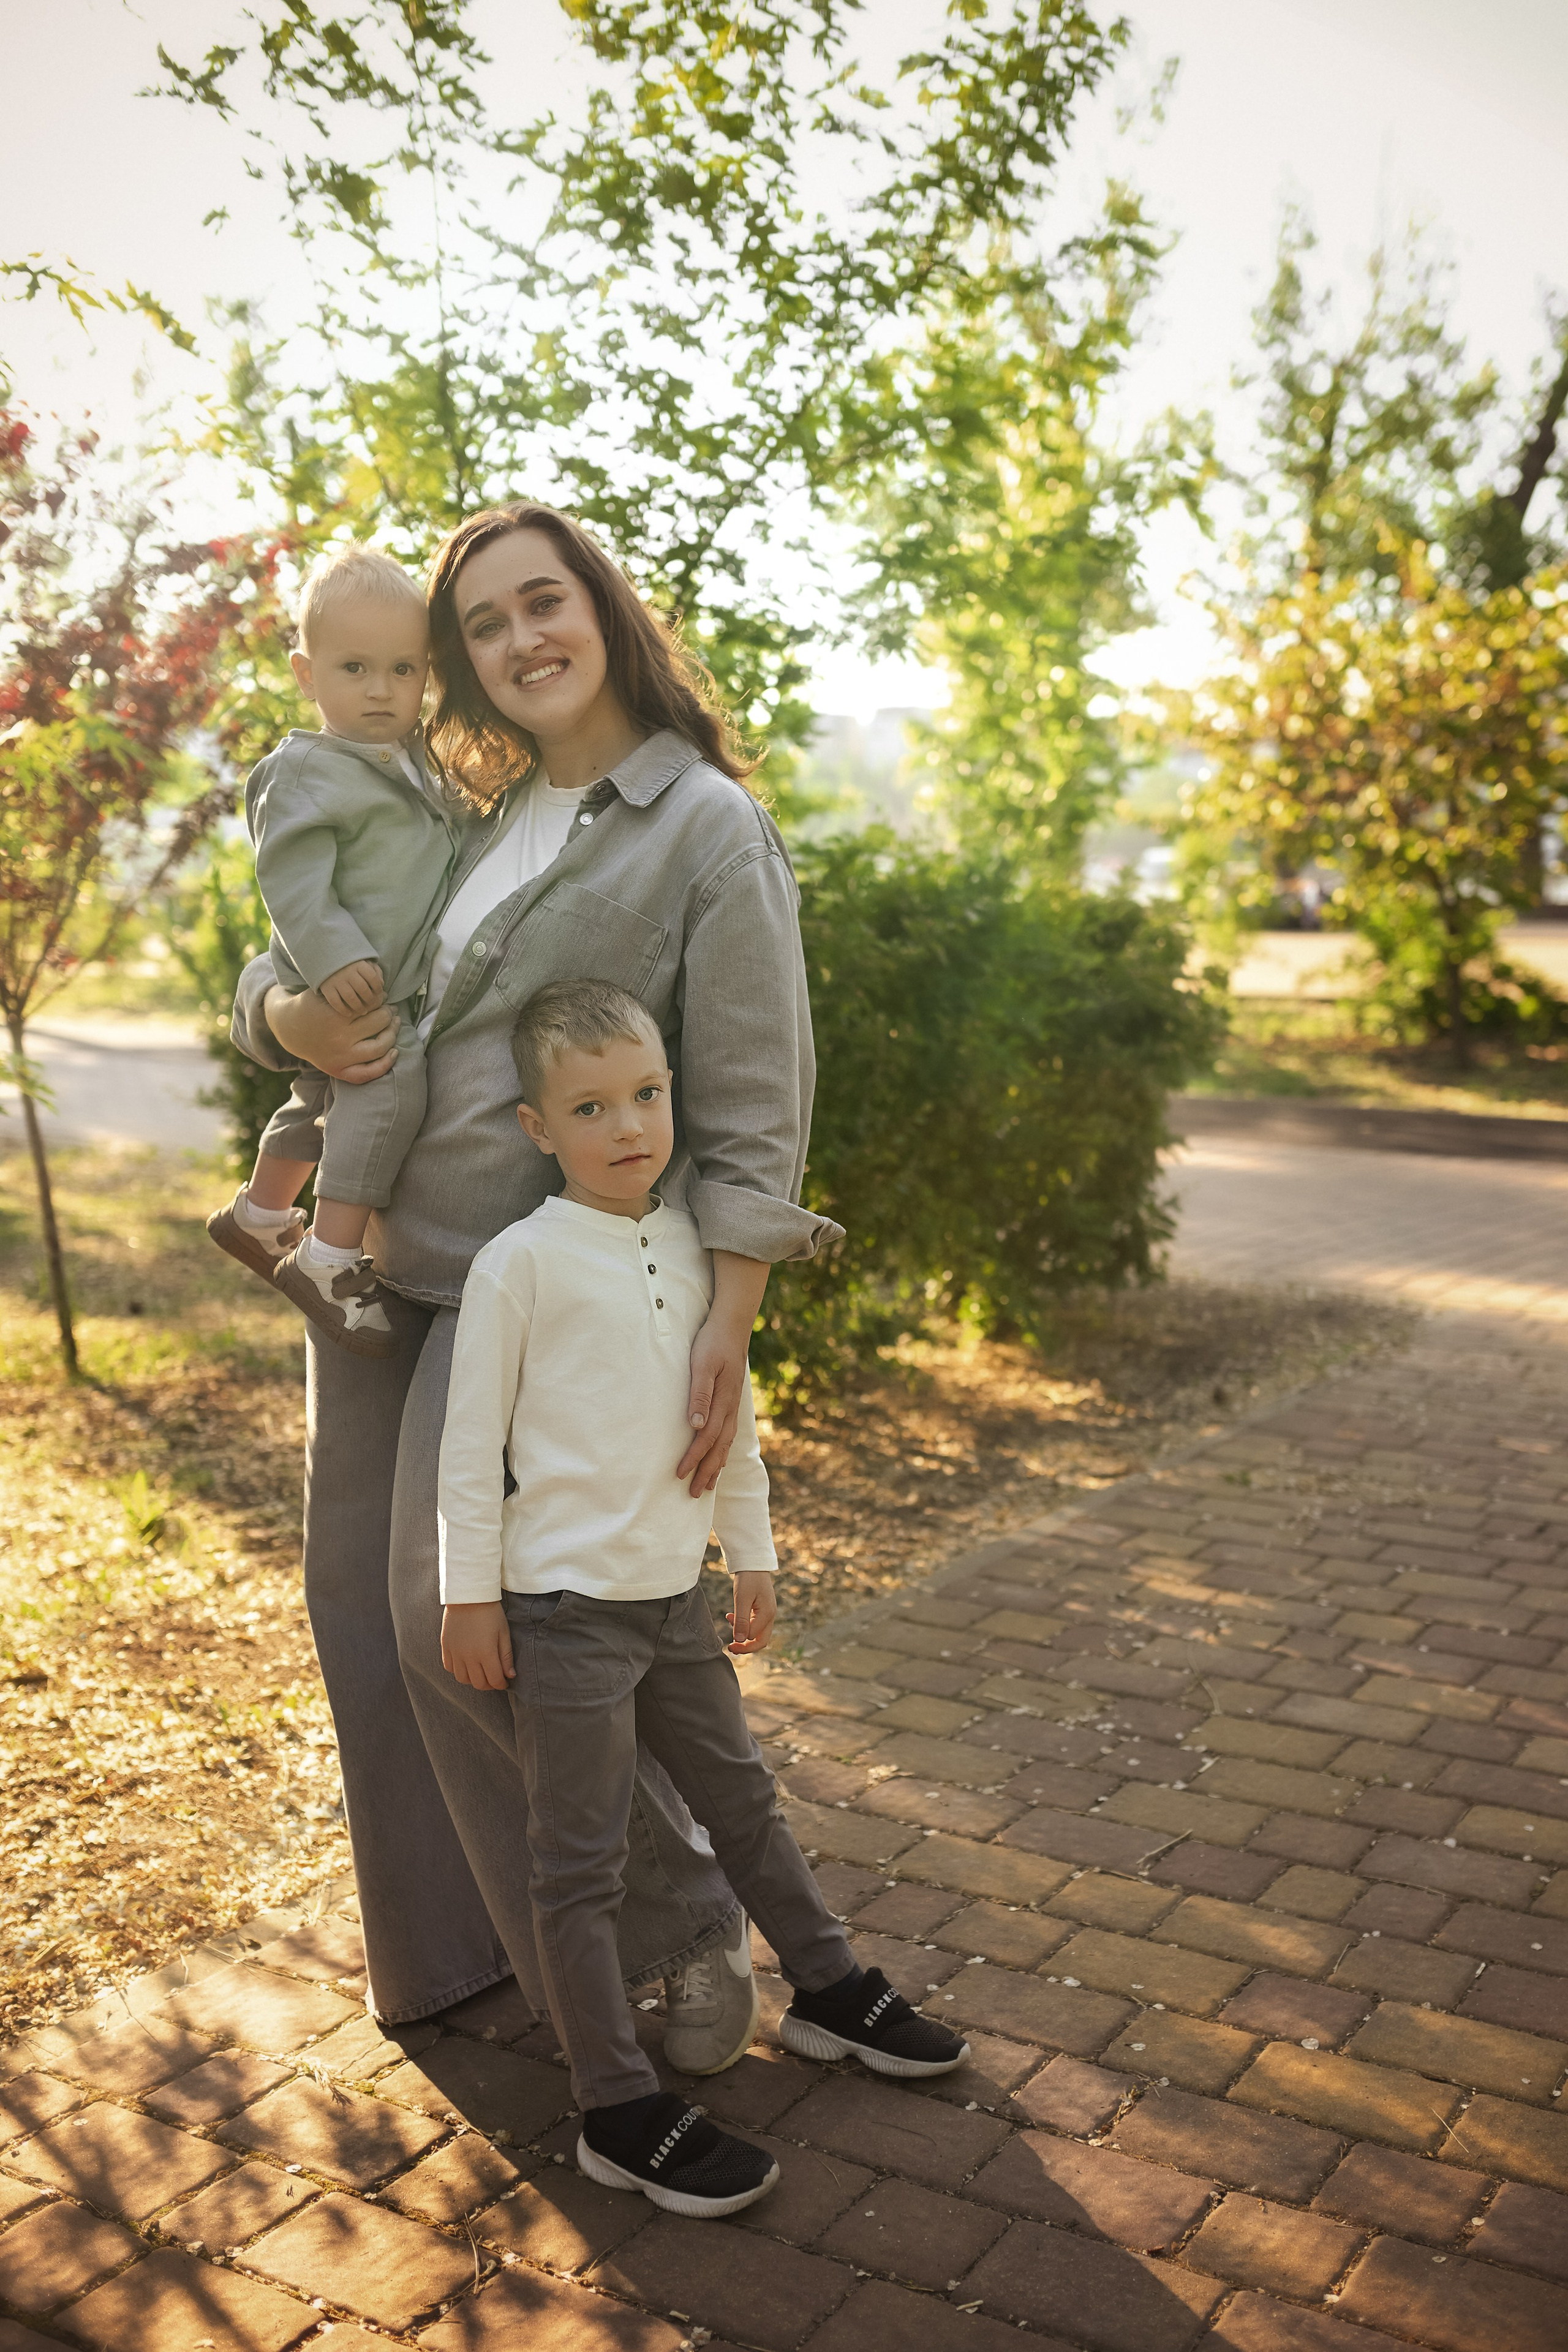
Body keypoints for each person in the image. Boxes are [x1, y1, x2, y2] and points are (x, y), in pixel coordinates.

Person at [227, 502, 834, 2065]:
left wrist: (728, 1317)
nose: (516, 644)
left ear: (604, 611)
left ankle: (677, 1929)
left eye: (539, 604)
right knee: (362, 1615)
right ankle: (453, 1950)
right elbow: (302, 946)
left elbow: (757, 1101)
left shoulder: (702, 826)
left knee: (459, 1617)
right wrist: (283, 1020)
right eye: (480, 628)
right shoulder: (459, 802)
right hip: (367, 1271)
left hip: (526, 1285)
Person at [436, 976, 968, 2215]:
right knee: (577, 1869)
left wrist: (755, 1552)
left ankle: (830, 1993)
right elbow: (469, 1448)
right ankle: (614, 2107)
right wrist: (469, 1597)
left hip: (675, 1600)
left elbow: (727, 1418)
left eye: (647, 1094)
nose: (628, 1125)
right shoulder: (519, 1264)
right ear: (536, 1128)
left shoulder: (696, 1249)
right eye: (589, 1106)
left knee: (744, 1802)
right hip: (562, 1612)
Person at [209, 544, 457, 1357]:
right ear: (306, 673)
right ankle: (329, 1256)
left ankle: (260, 1215)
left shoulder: (412, 760)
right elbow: (291, 877)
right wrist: (333, 957)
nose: (382, 690)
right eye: (355, 668)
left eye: (403, 669)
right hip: (346, 980)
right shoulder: (305, 770)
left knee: (316, 1104)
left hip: (363, 980)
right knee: (389, 1085)